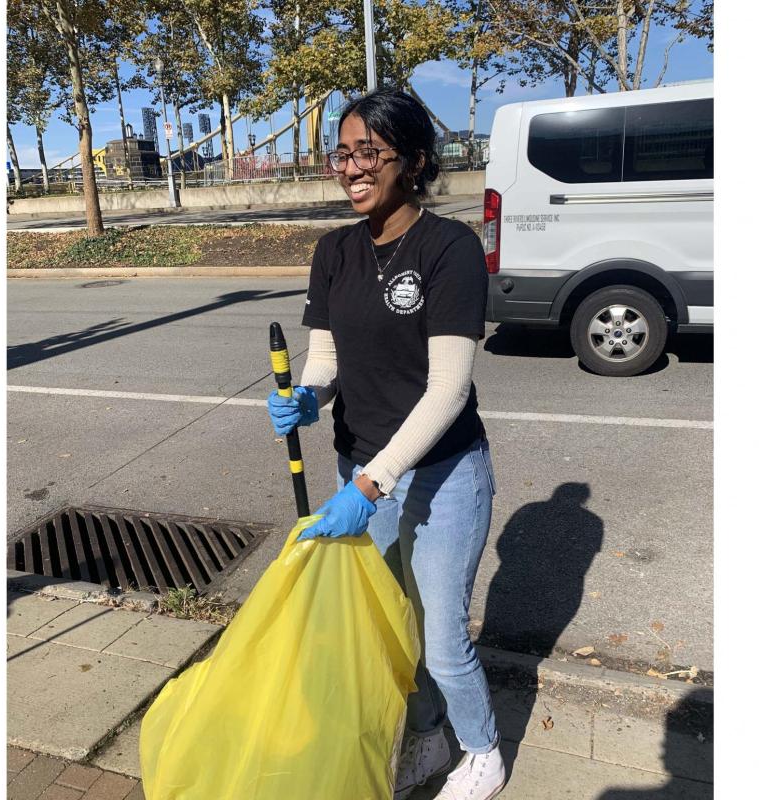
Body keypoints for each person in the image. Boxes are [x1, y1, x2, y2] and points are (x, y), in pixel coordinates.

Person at [267, 88, 505, 800]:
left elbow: (448, 390)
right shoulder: (334, 250)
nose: (350, 167)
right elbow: (328, 358)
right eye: (342, 152)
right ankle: (430, 737)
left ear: (414, 161)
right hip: (358, 469)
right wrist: (308, 397)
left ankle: (484, 752)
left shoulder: (449, 248)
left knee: (440, 635)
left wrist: (371, 484)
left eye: (368, 151)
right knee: (392, 625)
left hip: (439, 475)